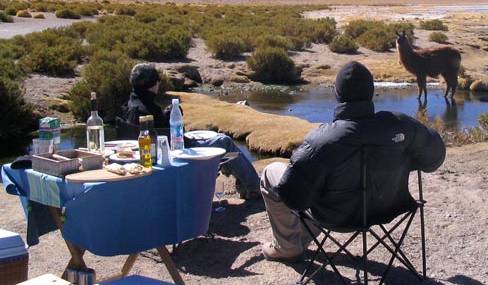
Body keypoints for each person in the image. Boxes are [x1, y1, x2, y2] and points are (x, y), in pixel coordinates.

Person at [260, 61, 446, 262]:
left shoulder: (321, 140)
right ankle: (298, 240)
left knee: (271, 172)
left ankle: (287, 247)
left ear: (338, 95)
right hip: (390, 206)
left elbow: (294, 198)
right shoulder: (401, 124)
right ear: (371, 92)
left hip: (334, 216)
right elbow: (434, 159)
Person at [123, 63, 261, 199]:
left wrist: (167, 115)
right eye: (157, 80)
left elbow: (159, 126)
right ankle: (253, 187)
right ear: (152, 84)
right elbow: (169, 135)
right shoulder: (148, 109)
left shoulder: (131, 104)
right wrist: (171, 117)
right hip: (178, 152)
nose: (159, 83)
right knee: (224, 141)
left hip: (156, 156)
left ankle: (243, 182)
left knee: (218, 139)